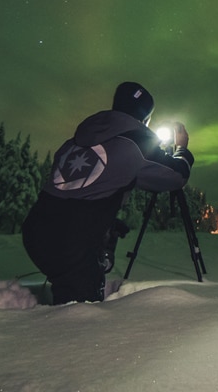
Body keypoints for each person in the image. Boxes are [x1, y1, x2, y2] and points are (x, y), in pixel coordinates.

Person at [21, 81, 194, 304]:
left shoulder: (76, 140)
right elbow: (176, 175)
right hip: (73, 245)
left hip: (35, 231)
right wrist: (182, 149)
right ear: (146, 118)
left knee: (70, 294)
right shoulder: (137, 142)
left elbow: (80, 191)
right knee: (79, 317)